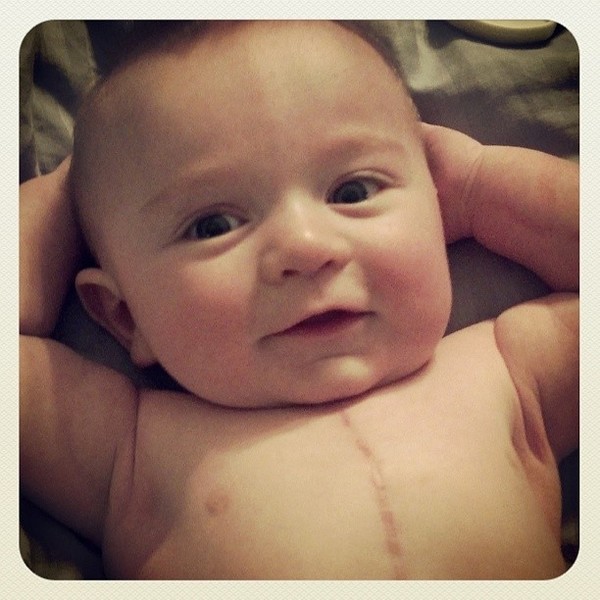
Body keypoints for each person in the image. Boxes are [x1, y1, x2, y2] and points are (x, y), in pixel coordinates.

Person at [19, 20, 578, 579]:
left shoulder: (509, 368)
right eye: (213, 226)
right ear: (123, 316)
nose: (306, 248)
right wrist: (73, 181)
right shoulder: (132, 451)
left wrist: (479, 184)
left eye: (353, 191)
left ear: (436, 205)